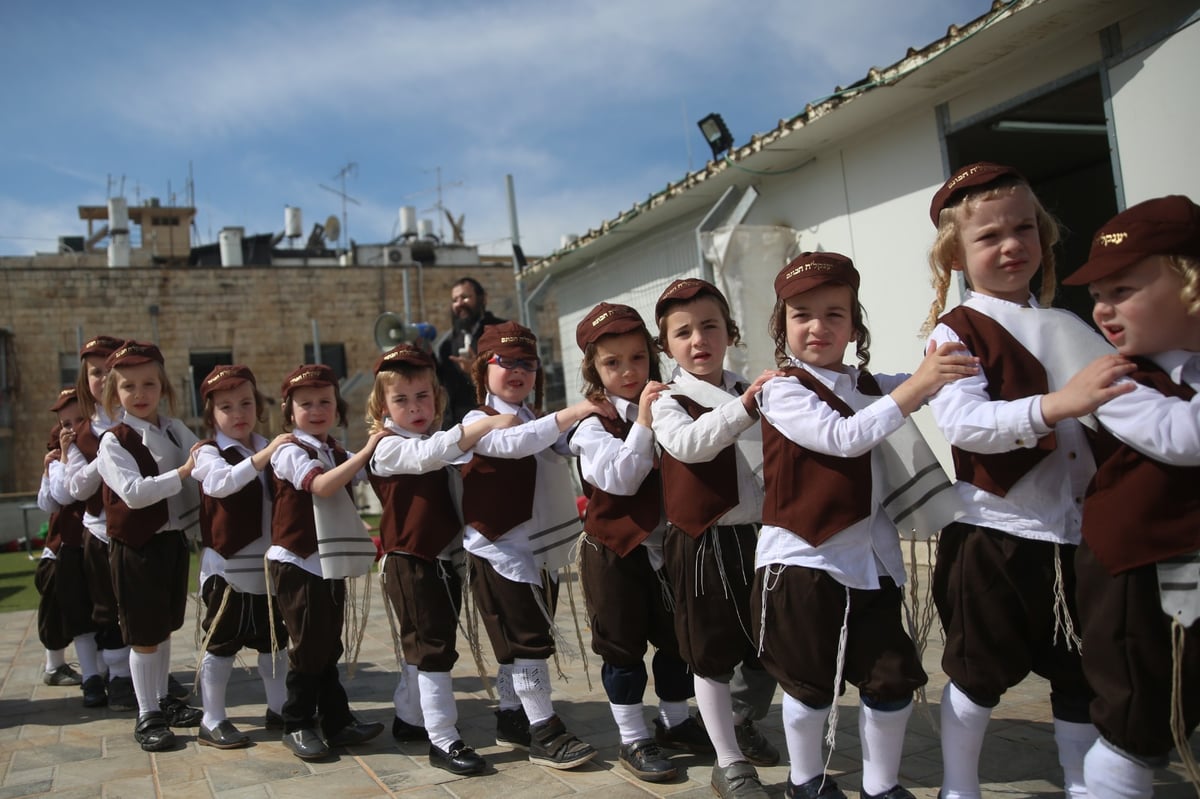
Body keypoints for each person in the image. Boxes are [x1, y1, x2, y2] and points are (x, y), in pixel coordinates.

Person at [922, 163, 1133, 799]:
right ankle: (960, 786)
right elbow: (965, 424)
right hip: (999, 532)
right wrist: (1060, 404)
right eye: (989, 236)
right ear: (957, 252)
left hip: (1078, 534)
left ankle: (1080, 782)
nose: (1011, 245)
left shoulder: (1071, 326)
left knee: (1080, 671)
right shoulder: (956, 330)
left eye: (1023, 229)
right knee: (977, 671)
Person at [755, 253, 978, 799]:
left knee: (892, 679)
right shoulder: (781, 390)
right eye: (802, 314)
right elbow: (843, 437)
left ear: (855, 325)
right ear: (782, 327)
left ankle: (881, 787)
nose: (819, 326)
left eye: (835, 313)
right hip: (803, 563)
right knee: (809, 688)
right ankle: (805, 783)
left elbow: (934, 383)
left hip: (873, 565)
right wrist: (914, 388)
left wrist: (958, 353)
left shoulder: (872, 382)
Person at [1059, 195, 1200, 797]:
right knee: (1136, 714)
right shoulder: (1115, 379)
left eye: (1123, 289)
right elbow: (1180, 438)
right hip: (1138, 571)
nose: (1104, 310)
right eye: (1098, 295)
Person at [650, 278, 782, 799]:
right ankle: (727, 760)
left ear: (730, 331)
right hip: (702, 540)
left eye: (710, 326)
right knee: (710, 651)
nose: (698, 339)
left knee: (770, 642)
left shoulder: (750, 386)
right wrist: (748, 406)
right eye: (683, 332)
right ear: (667, 347)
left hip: (760, 534)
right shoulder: (667, 400)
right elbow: (690, 445)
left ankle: (743, 720)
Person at [460, 320, 609, 770]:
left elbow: (562, 442)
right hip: (500, 548)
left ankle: (512, 716)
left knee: (519, 641)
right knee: (527, 643)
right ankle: (544, 729)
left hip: (539, 547)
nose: (518, 372)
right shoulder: (475, 420)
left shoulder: (532, 417)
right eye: (506, 363)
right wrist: (575, 412)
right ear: (483, 369)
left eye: (527, 364)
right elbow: (513, 445)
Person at [366, 343, 517, 776]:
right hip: (410, 558)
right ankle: (444, 738)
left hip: (443, 558)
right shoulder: (387, 448)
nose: (414, 407)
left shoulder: (437, 441)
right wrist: (480, 427)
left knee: (427, 642)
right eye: (401, 399)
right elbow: (425, 457)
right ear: (382, 407)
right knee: (432, 648)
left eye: (423, 397)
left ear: (437, 398)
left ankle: (411, 718)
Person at [568, 302, 701, 783]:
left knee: (675, 642)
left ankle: (676, 721)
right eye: (612, 363)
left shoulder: (673, 405)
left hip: (665, 548)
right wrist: (644, 421)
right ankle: (632, 738)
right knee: (622, 650)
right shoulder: (591, 425)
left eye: (637, 358)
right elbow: (621, 479)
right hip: (614, 552)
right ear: (594, 370)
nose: (627, 371)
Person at [268, 364, 386, 761]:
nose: (316, 410)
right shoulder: (288, 450)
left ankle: (336, 721)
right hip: (296, 562)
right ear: (290, 411)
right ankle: (296, 722)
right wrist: (369, 451)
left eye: (325, 402)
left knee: (325, 643)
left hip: (326, 561)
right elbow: (321, 485)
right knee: (307, 646)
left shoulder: (333, 449)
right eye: (306, 404)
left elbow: (368, 471)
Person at [95, 341, 204, 751]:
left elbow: (202, 455)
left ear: (163, 387)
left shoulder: (175, 428)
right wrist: (185, 470)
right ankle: (147, 715)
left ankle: (162, 699)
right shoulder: (113, 441)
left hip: (171, 542)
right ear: (113, 394)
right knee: (143, 633)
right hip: (137, 546)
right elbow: (134, 493)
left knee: (164, 626)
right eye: (129, 387)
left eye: (149, 384)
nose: (140, 394)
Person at [191, 365, 291, 749]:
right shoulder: (208, 454)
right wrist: (266, 454)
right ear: (211, 415)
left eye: (246, 403)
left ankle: (279, 708)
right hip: (227, 569)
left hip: (268, 566)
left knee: (274, 642)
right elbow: (222, 483)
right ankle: (212, 718)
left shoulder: (270, 445)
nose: (238, 414)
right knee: (221, 644)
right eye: (227, 407)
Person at [64, 335, 136, 710]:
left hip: (141, 530)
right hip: (101, 532)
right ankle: (120, 677)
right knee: (107, 608)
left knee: (143, 605)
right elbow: (75, 487)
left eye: (111, 370)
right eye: (95, 372)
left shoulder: (140, 421)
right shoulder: (80, 434)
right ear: (85, 380)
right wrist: (107, 457)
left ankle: (147, 672)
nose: (103, 378)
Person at [34, 389, 95, 694]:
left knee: (88, 607)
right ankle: (54, 665)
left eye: (78, 419)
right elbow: (53, 499)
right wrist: (51, 467)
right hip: (62, 546)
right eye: (65, 423)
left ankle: (101, 669)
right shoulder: (60, 456)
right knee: (57, 606)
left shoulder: (98, 448)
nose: (71, 429)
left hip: (86, 544)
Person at [436, 277, 505, 428]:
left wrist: (477, 372)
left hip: (496, 421)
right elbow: (442, 383)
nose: (459, 304)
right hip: (459, 426)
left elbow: (514, 374)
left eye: (465, 297)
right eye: (455, 300)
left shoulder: (501, 331)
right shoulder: (447, 344)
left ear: (483, 299)